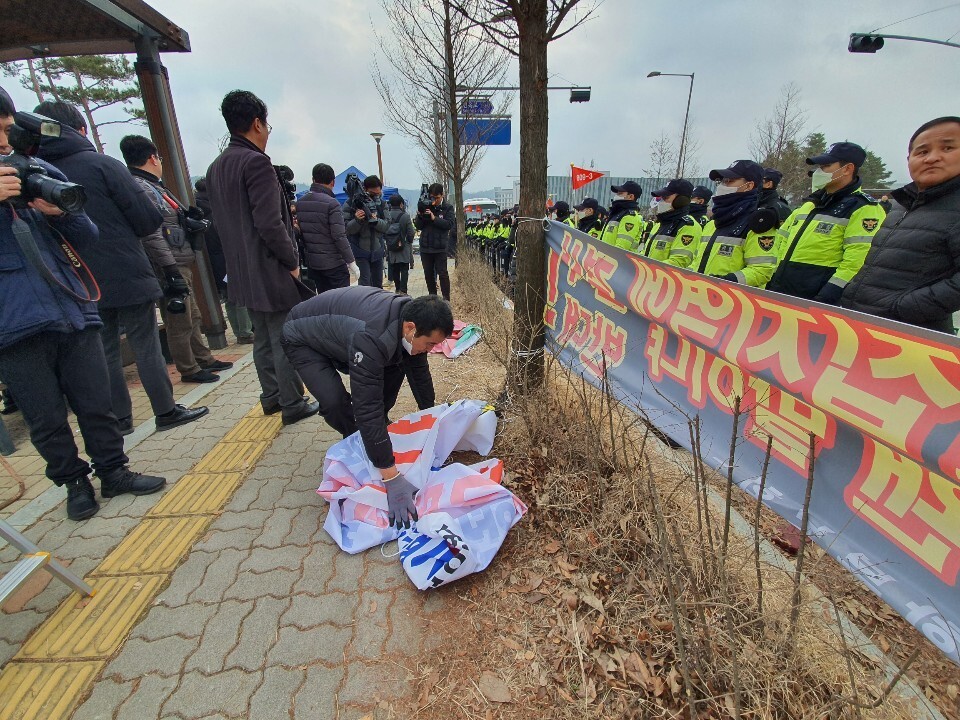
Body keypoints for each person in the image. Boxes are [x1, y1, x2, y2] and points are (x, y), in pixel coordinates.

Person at [0, 87, 165, 521]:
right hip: (13, 323)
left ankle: (114, 471)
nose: (4, 142)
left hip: (71, 307)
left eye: (6, 131)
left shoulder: (35, 169)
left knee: (95, 399)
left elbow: (89, 235)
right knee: (46, 415)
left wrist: (63, 214)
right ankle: (74, 482)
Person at [35, 100, 208, 435]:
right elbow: (147, 219)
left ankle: (121, 418)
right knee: (145, 343)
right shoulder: (104, 166)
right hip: (127, 270)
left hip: (76, 278)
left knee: (106, 351)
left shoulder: (36, 175)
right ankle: (165, 409)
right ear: (81, 129)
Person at [281, 289, 453, 528]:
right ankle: (359, 448)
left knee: (396, 367)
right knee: (336, 403)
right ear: (410, 328)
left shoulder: (411, 321)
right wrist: (391, 476)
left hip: (340, 332)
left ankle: (372, 442)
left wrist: (432, 417)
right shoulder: (371, 337)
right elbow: (367, 406)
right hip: (302, 337)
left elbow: (419, 373)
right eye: (430, 343)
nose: (431, 349)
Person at [205, 89, 318, 424]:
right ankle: (292, 402)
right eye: (267, 127)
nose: (267, 134)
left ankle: (271, 397)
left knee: (263, 337)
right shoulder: (256, 163)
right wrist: (291, 262)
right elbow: (270, 223)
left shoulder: (216, 167)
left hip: (240, 270)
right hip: (269, 268)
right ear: (257, 123)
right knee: (285, 335)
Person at [119, 134, 233, 383]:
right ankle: (188, 368)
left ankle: (202, 358)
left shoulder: (152, 186)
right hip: (167, 263)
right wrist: (169, 267)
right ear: (152, 157)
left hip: (177, 259)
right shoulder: (143, 188)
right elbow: (152, 233)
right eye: (158, 157)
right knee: (179, 319)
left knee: (192, 315)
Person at [842, 117, 960, 334]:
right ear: (909, 159)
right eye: (922, 152)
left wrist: (903, 308)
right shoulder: (901, 205)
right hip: (863, 325)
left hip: (911, 336)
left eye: (948, 147)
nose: (932, 158)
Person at [767, 142, 885, 304]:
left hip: (817, 301)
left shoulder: (864, 208)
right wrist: (772, 277)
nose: (818, 172)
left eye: (826, 166)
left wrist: (830, 294)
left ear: (847, 169)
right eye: (819, 167)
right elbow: (779, 242)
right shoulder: (808, 206)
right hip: (782, 291)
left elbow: (858, 260)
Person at [693, 160, 779, 287]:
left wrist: (726, 281)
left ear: (749, 186)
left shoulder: (757, 224)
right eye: (722, 181)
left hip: (733, 300)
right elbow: (697, 261)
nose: (722, 185)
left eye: (729, 181)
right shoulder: (713, 223)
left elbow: (762, 270)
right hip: (701, 295)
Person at [195, 177, 253, 344]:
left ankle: (239, 331)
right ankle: (245, 332)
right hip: (228, 259)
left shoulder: (199, 212)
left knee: (229, 298)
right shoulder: (217, 212)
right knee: (240, 296)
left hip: (213, 263)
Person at [297, 163, 359, 293]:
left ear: (313, 179)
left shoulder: (301, 202)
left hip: (313, 263)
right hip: (334, 264)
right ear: (333, 182)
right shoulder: (332, 204)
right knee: (341, 302)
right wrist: (351, 262)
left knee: (323, 301)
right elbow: (339, 236)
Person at [642, 179, 702, 268]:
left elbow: (679, 262)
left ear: (681, 200)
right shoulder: (659, 225)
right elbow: (645, 252)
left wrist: (647, 268)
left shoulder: (688, 226)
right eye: (661, 198)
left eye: (666, 198)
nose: (661, 202)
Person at [343, 175, 388, 288]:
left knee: (378, 285)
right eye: (373, 194)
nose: (376, 197)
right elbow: (346, 229)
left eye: (379, 193)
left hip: (377, 250)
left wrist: (376, 221)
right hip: (360, 251)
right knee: (365, 285)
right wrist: (357, 220)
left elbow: (387, 226)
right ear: (365, 190)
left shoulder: (382, 204)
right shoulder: (351, 204)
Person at [415, 183, 454, 300]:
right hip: (426, 247)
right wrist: (420, 216)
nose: (434, 201)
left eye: (437, 198)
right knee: (429, 275)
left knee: (442, 274)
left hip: (440, 247)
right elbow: (419, 226)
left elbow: (449, 224)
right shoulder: (426, 206)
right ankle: (433, 299)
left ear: (442, 195)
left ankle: (446, 299)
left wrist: (434, 218)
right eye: (432, 197)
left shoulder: (448, 208)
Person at [599, 180, 646, 252]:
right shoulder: (616, 214)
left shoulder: (630, 217)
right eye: (617, 193)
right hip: (605, 259)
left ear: (631, 196)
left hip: (614, 261)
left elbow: (621, 249)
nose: (616, 195)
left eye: (620, 193)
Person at [385, 194, 415, 294]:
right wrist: (408, 241)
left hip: (391, 247)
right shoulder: (405, 216)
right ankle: (403, 290)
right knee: (404, 269)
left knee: (395, 269)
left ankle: (397, 289)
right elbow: (411, 232)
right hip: (403, 247)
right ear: (401, 204)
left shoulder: (387, 215)